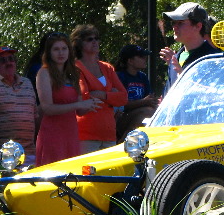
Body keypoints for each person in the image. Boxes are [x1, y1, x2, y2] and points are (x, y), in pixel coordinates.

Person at [35, 33, 99, 166]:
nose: (61, 53)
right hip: (52, 134)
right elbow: (47, 108)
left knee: (71, 176)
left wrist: (90, 104)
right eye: (56, 49)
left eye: (64, 49)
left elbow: (80, 111)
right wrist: (79, 104)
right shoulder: (44, 73)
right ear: (49, 53)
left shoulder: (73, 74)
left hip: (71, 133)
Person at [71, 25, 128, 154]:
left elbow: (123, 97)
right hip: (86, 135)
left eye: (97, 38)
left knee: (109, 173)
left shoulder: (107, 67)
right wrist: (112, 95)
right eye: (90, 39)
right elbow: (85, 97)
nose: (95, 42)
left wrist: (102, 95)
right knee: (86, 173)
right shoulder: (75, 68)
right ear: (79, 43)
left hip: (109, 134)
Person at [0, 46, 38, 165]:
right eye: (3, 60)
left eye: (11, 59)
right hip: (4, 155)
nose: (8, 63)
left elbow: (35, 116)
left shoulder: (27, 83)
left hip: (30, 153)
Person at [159, 2, 217, 93]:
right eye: (173, 23)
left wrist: (183, 76)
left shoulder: (213, 58)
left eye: (180, 23)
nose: (174, 27)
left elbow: (216, 95)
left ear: (198, 26)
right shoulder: (176, 58)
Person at [115, 45, 159, 141]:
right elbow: (120, 105)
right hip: (120, 118)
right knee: (147, 111)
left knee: (154, 112)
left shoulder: (142, 77)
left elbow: (150, 100)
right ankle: (123, 143)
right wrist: (143, 102)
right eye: (140, 57)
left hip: (139, 114)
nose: (145, 59)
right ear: (130, 61)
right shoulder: (119, 77)